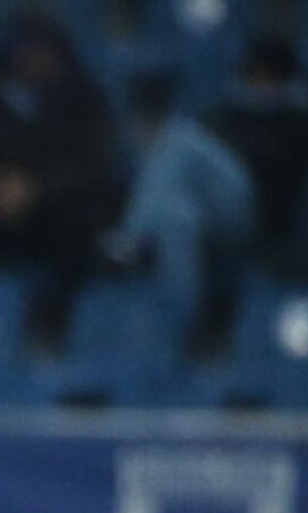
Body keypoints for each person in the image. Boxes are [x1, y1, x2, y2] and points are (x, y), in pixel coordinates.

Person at [0, 11, 122, 347]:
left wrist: (37, 189)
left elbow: (94, 168)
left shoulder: (84, 100)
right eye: (27, 51)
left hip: (57, 212)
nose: (35, 60)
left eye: (42, 51)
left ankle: (51, 330)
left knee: (79, 239)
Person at [111, 71, 254, 330]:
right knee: (177, 213)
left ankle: (187, 321)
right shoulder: (175, 137)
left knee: (175, 218)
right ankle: (187, 318)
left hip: (234, 221)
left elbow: (154, 193)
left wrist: (126, 240)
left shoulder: (177, 139)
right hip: (213, 217)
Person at [206, 34, 308, 277]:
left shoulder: (301, 120)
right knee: (178, 210)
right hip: (216, 204)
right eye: (255, 74)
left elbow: (288, 168)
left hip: (261, 210)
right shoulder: (226, 114)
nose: (260, 82)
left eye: (268, 75)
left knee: (181, 143)